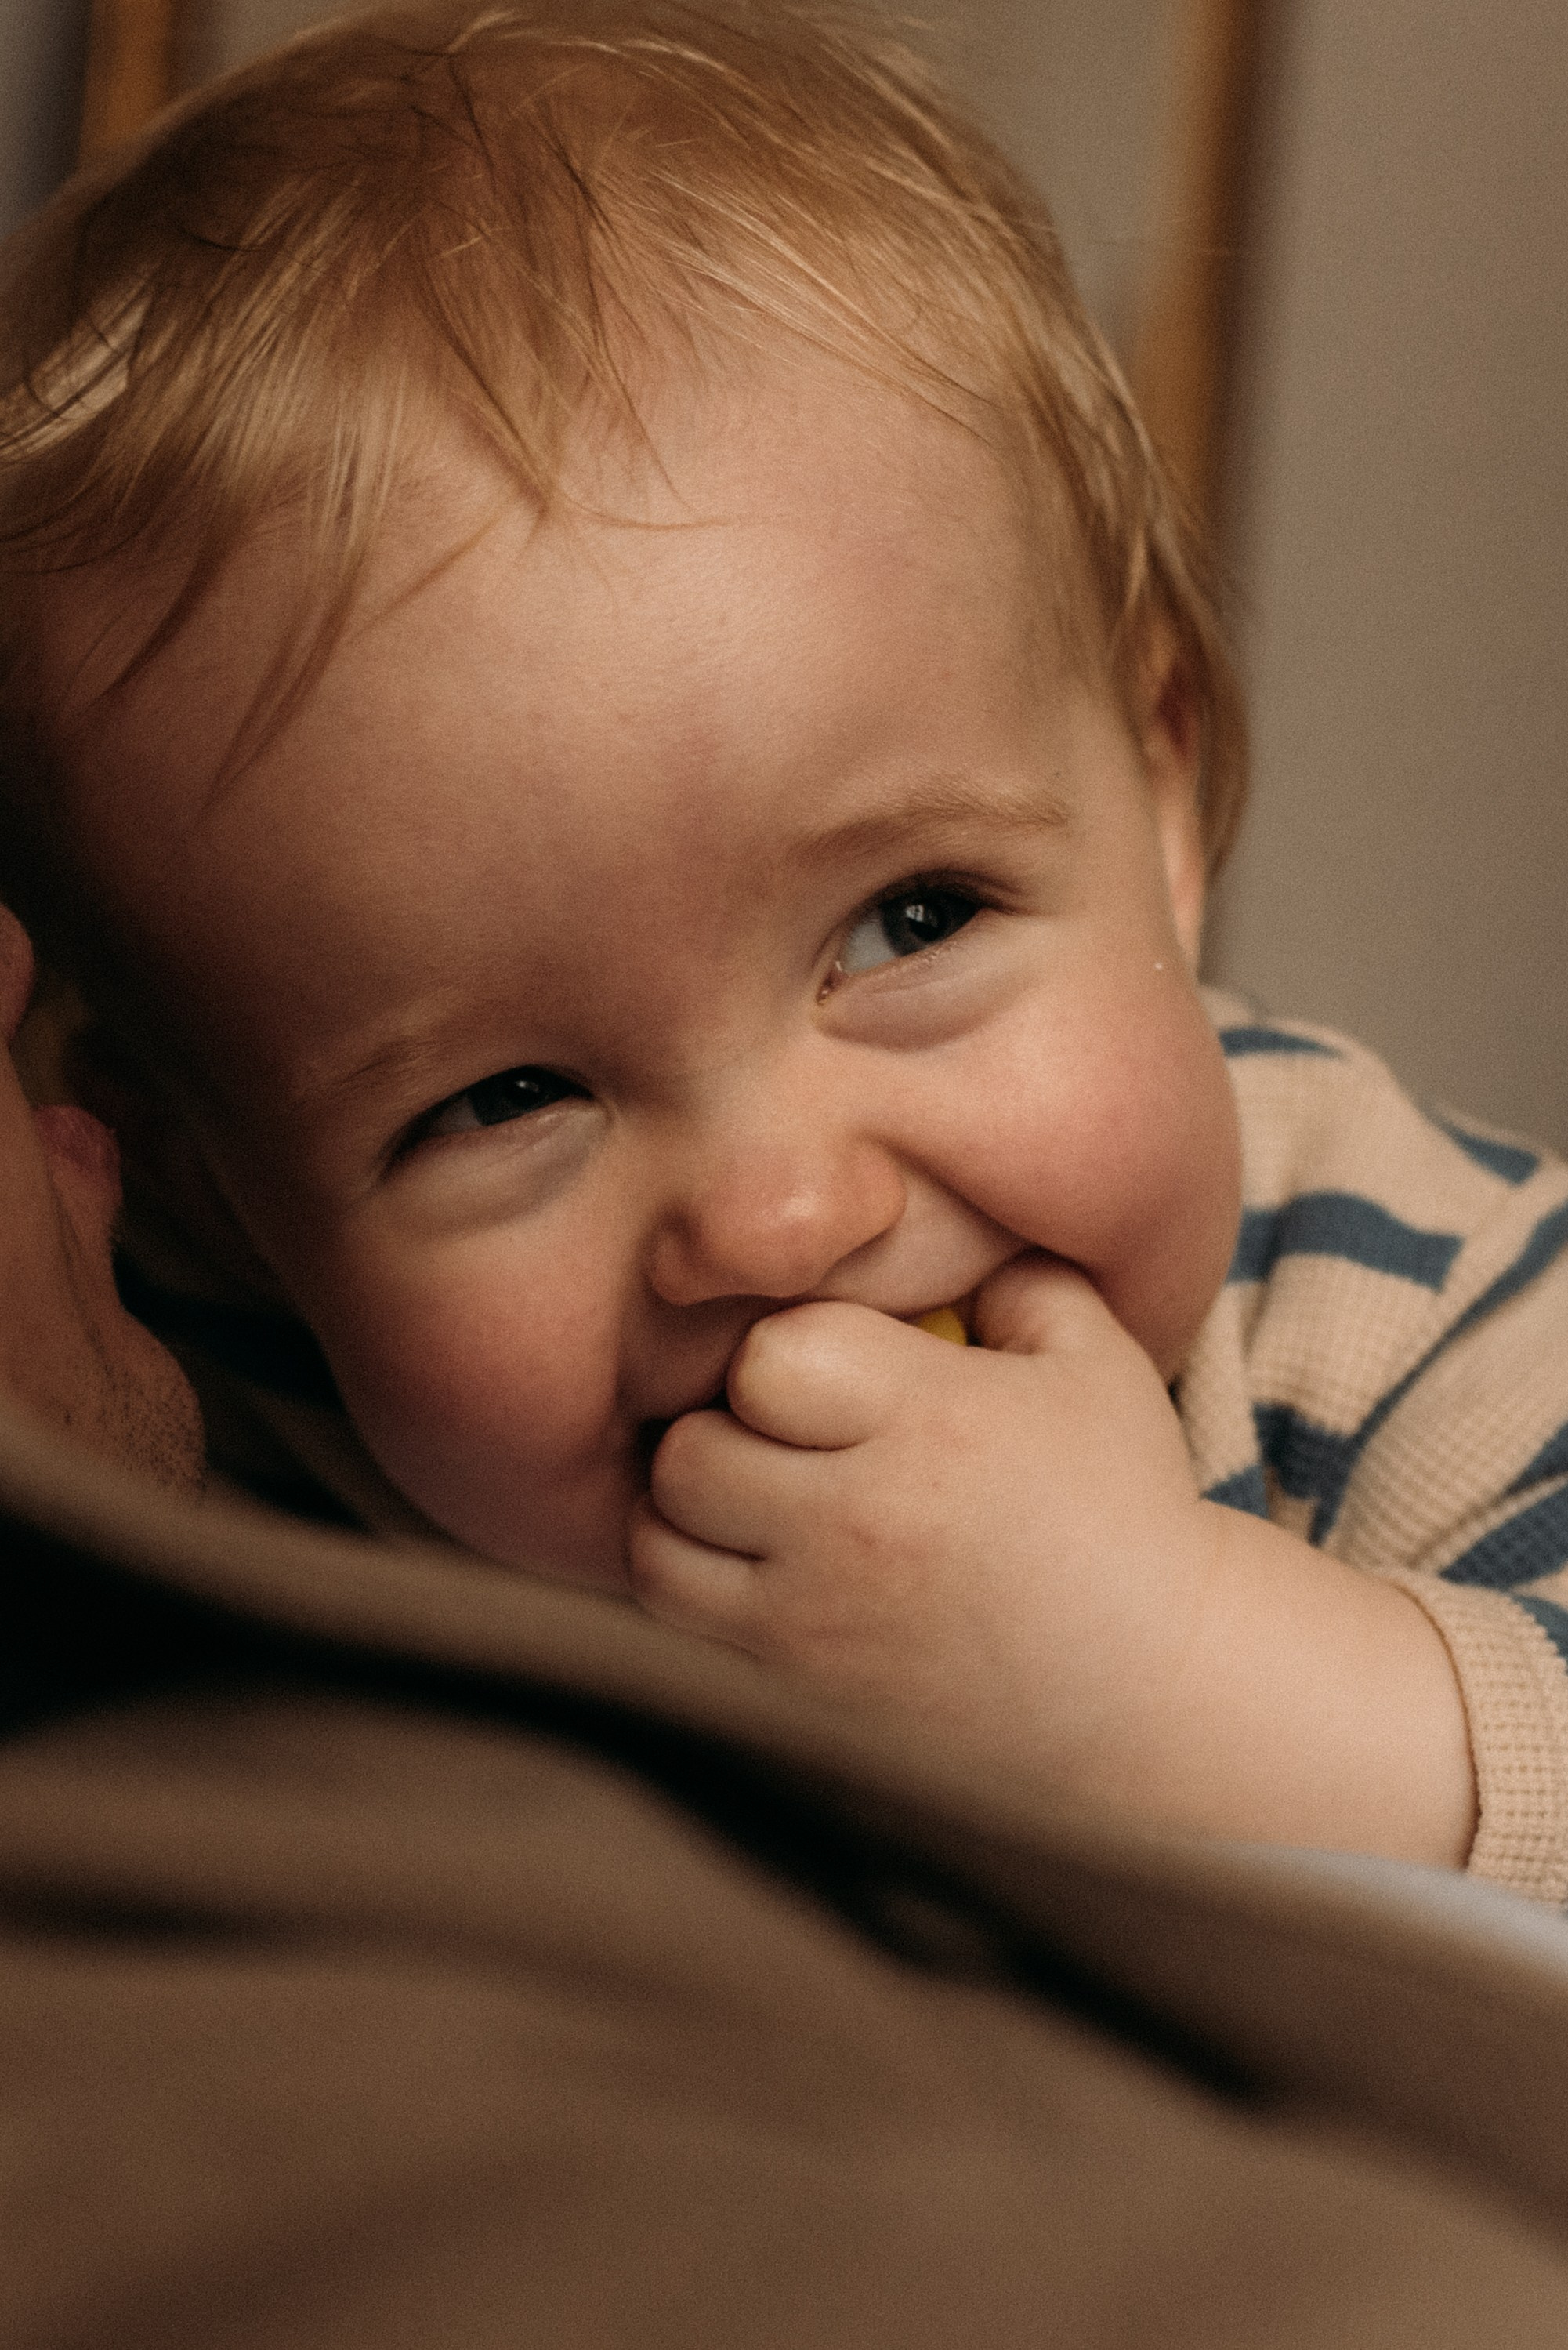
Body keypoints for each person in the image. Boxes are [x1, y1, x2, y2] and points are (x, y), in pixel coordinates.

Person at [1, 0, 1566, 1909]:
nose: (778, 1212)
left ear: (1160, 793)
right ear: (209, 1178)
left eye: (910, 921)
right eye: (504, 1097)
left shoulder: (1396, 1302)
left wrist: (1162, 1668)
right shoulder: (229, 1425)